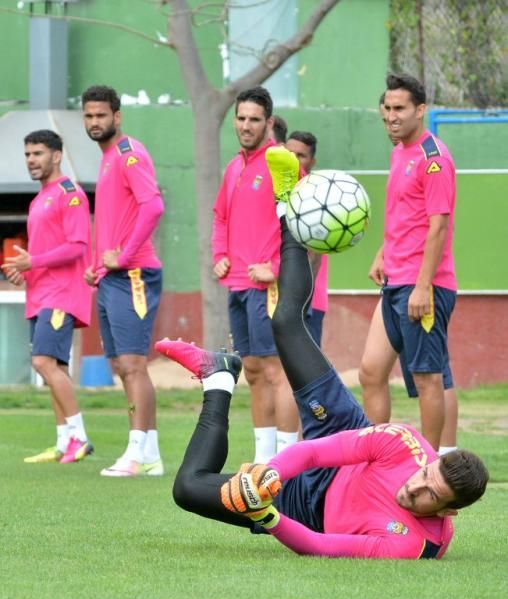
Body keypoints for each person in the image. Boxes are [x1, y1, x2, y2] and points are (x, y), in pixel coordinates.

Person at [154, 150, 488, 559]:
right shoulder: (402, 443)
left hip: (307, 511)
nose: (414, 487)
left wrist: (266, 511)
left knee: (187, 488)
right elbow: (313, 451)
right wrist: (269, 473)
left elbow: (320, 544)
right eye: (424, 476)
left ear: (448, 511)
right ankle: (288, 201)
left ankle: (219, 380)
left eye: (429, 496)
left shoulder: (416, 544)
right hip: (338, 434)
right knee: (286, 324)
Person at [359, 74, 459, 452]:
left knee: (427, 378)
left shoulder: (434, 159)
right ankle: (375, 459)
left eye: (399, 108)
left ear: (421, 110)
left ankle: (429, 469)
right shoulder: (398, 151)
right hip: (394, 282)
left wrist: (423, 285)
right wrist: (383, 252)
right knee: (370, 371)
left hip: (423, 287)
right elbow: (405, 213)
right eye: (386, 108)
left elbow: (438, 227)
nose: (391, 116)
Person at [212, 86, 300, 462]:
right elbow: (221, 216)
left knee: (276, 371)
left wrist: (276, 268)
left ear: (269, 122)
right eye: (241, 118)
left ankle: (288, 461)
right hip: (237, 285)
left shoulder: (282, 162)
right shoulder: (234, 166)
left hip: (269, 287)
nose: (246, 126)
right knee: (251, 369)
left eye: (254, 119)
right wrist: (220, 254)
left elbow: (301, 223)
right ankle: (263, 461)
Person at [81, 85, 165, 477]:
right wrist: (98, 265)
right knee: (120, 364)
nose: (94, 122)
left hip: (133, 274)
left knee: (132, 364)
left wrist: (125, 256)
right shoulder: (107, 158)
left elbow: (153, 206)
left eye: (101, 115)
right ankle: (147, 452)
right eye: (89, 116)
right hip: (112, 276)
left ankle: (140, 452)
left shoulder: (129, 154)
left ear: (118, 116)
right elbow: (119, 220)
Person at [2, 130, 93, 464]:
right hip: (40, 294)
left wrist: (34, 261)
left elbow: (77, 246)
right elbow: (44, 250)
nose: (31, 160)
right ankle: (63, 442)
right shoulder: (39, 199)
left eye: (37, 153)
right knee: (54, 367)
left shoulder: (70, 194)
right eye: (27, 154)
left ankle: (80, 438)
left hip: (62, 295)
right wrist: (25, 270)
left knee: (42, 362)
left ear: (56, 156)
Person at [285, 130, 328, 346]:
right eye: (289, 153)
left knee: (308, 373)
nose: (293, 159)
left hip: (308, 302)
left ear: (312, 161)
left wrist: (300, 299)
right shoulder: (279, 194)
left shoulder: (318, 196)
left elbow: (314, 255)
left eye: (300, 155)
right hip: (278, 298)